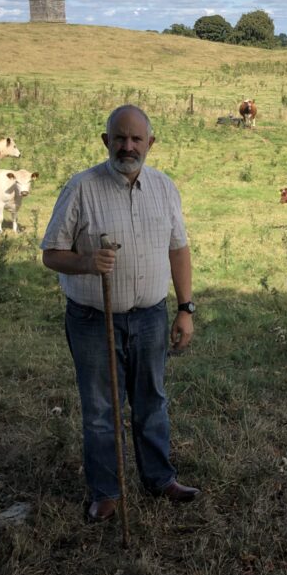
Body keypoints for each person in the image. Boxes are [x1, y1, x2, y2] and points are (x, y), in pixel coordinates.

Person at [41, 104, 198, 523]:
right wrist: (86, 262)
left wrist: (184, 308)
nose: (128, 146)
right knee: (99, 409)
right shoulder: (81, 188)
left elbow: (178, 249)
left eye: (136, 139)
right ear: (105, 140)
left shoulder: (165, 188)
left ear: (150, 143)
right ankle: (107, 493)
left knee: (152, 402)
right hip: (95, 320)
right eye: (120, 138)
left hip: (150, 317)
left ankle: (159, 479)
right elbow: (51, 255)